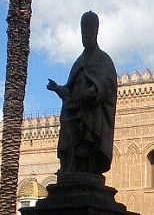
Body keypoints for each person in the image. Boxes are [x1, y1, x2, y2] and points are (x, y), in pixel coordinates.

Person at [47, 11, 118, 175]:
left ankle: (86, 171)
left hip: (92, 114)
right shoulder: (79, 61)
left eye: (88, 31)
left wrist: (93, 91)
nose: (85, 35)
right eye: (83, 31)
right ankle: (72, 170)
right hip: (75, 113)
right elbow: (69, 91)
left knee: (87, 143)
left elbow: (107, 83)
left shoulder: (103, 59)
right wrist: (57, 88)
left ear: (95, 32)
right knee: (72, 145)